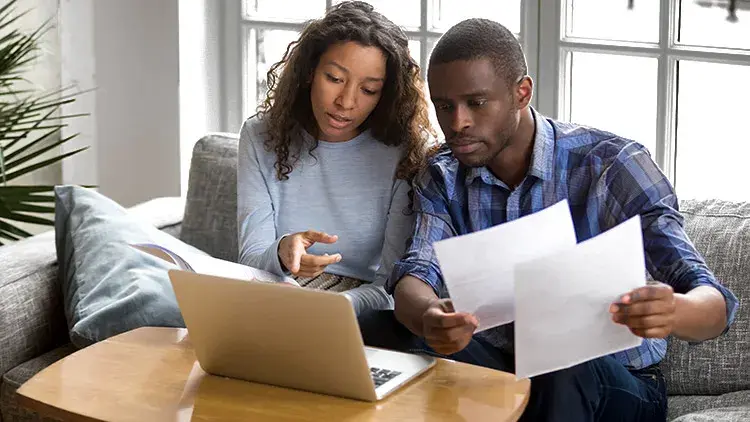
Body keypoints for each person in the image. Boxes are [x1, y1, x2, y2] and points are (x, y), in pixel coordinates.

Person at [363, 18, 739, 421]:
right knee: (376, 327)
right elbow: (416, 275)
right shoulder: (443, 174)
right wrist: (429, 317)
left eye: (476, 103)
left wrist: (675, 311)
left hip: (612, 383)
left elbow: (714, 304)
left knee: (563, 360)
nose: (457, 123)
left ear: (521, 93)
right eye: (444, 106)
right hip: (503, 370)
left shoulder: (611, 166)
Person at [237, 1, 434, 315]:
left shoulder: (405, 151)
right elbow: (250, 262)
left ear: (386, 95)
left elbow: (393, 286)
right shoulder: (260, 136)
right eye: (334, 78)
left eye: (368, 90)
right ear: (310, 72)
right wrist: (283, 251)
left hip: (364, 309)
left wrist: (335, 308)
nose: (346, 102)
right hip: (277, 294)